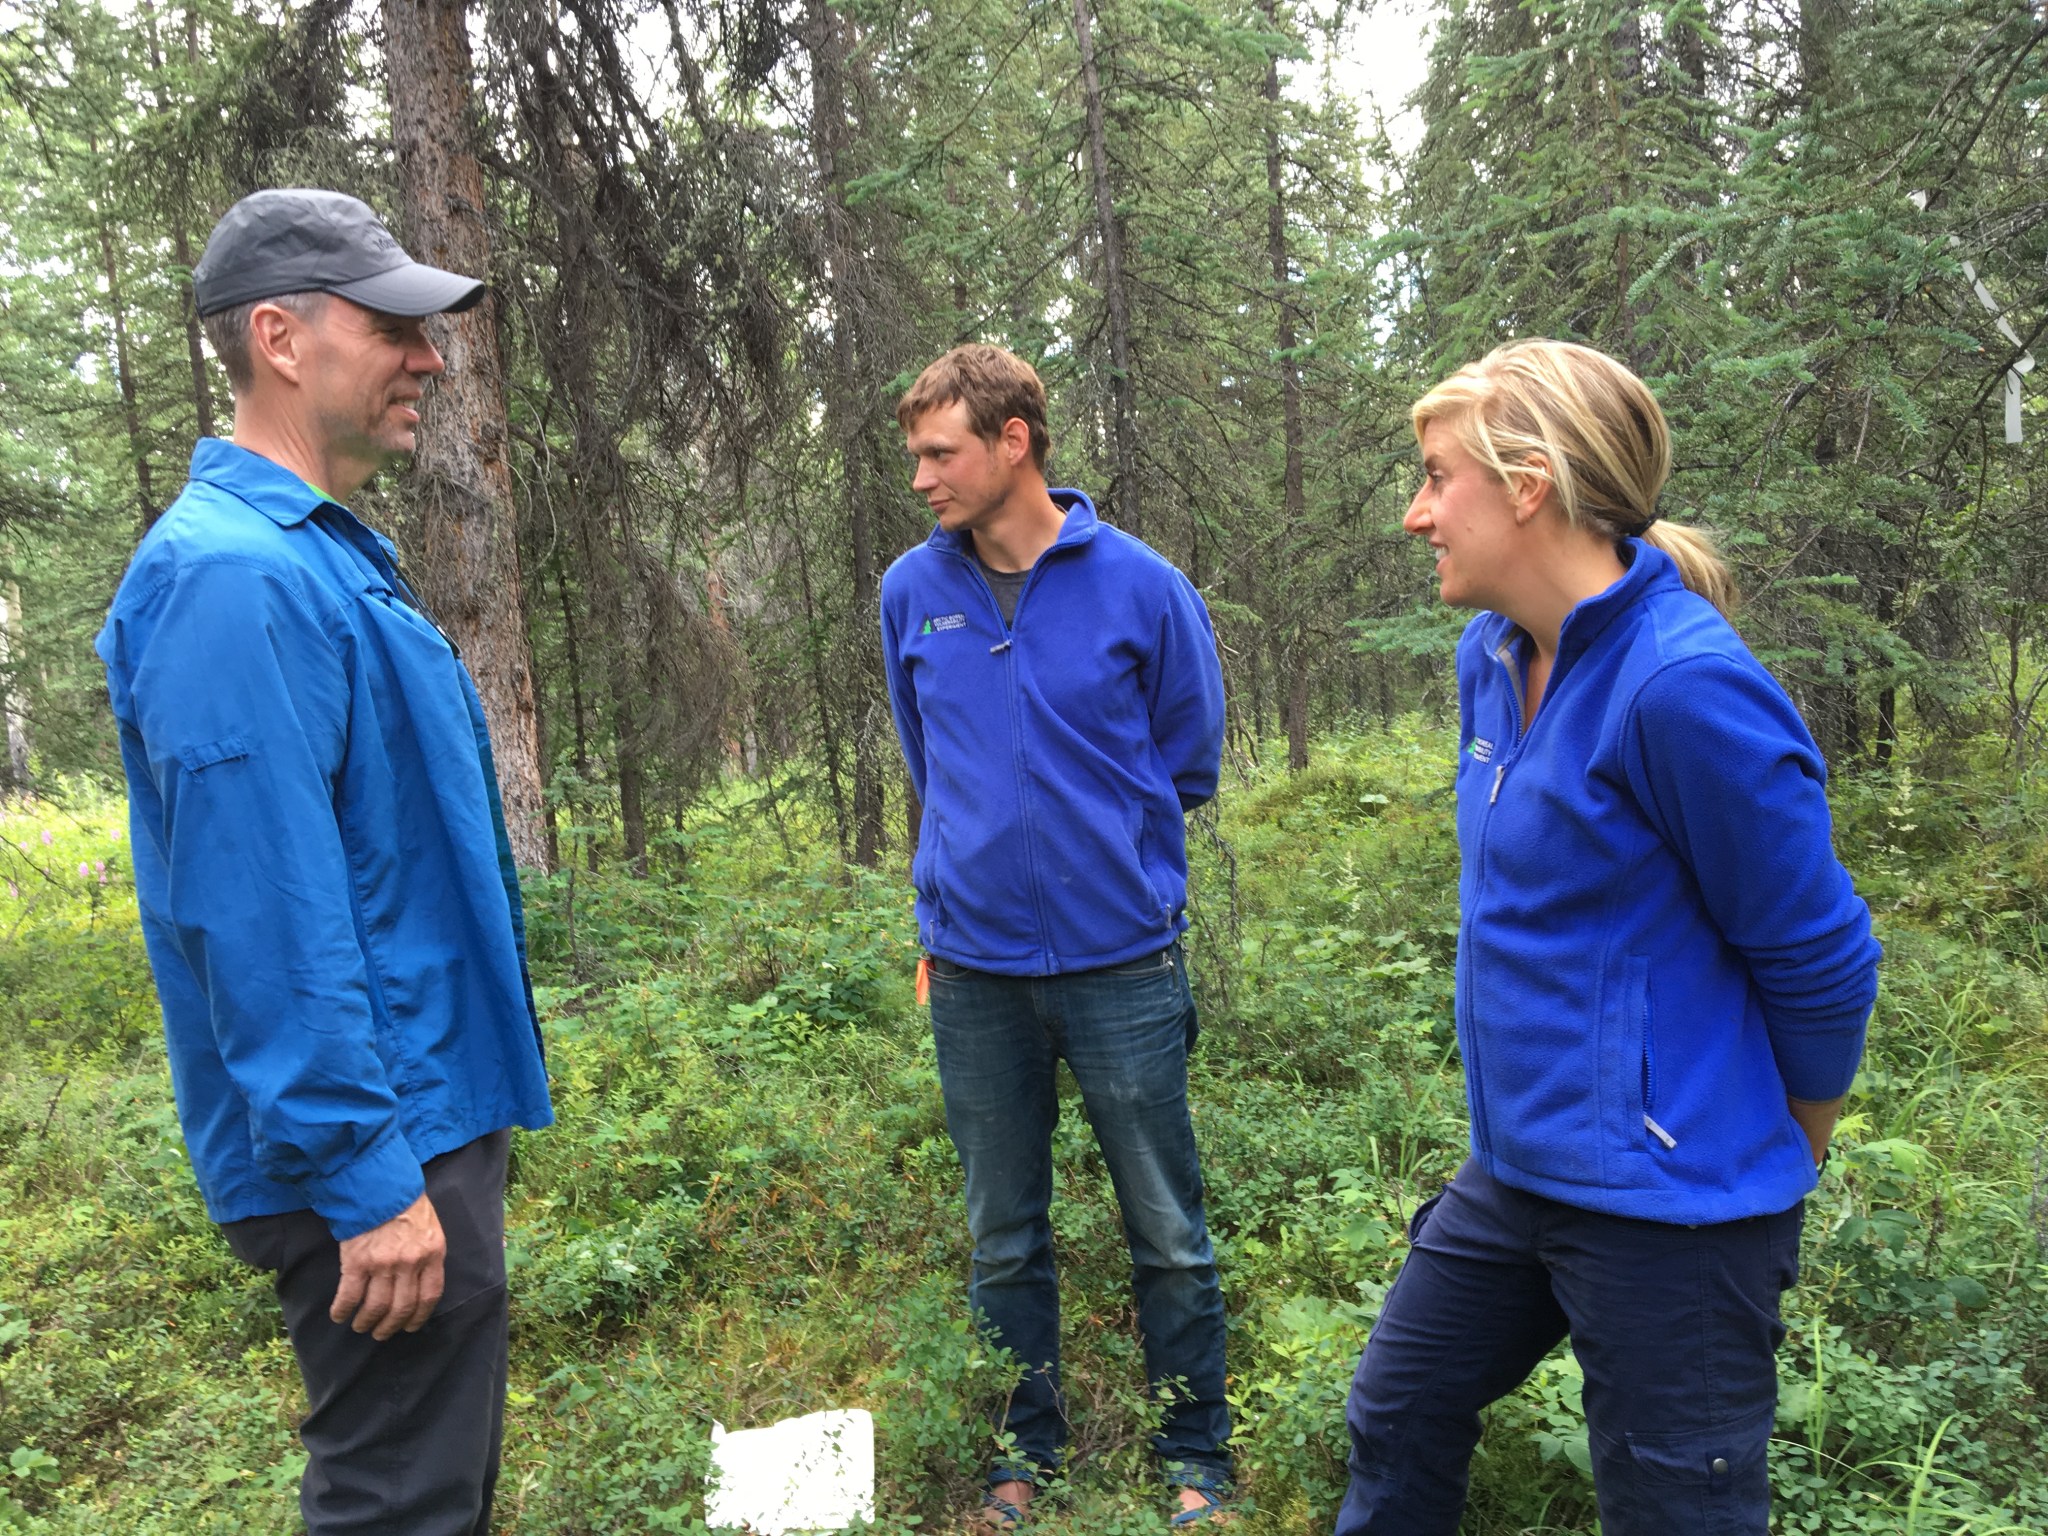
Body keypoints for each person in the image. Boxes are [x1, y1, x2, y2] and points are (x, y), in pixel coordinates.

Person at [1335, 339, 1881, 1535]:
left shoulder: (1680, 690)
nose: (1415, 512)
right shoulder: (1495, 656)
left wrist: (1797, 1131)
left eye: (1435, 477)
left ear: (1525, 486)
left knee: (1675, 1510)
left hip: (1672, 1210)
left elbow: (1819, 948)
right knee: (1397, 1407)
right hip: (1519, 1173)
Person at [94, 188, 554, 1536]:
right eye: (397, 326)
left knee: (426, 1490)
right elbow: (263, 913)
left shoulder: (316, 559)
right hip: (378, 1148)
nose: (430, 357)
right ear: (282, 339)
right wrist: (366, 1177)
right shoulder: (233, 579)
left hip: (417, 1113)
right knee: (396, 1505)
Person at [880, 345, 1235, 1529]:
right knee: (1001, 1236)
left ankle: (1195, 1456)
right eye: (915, 456)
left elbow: (1185, 760)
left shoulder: (1140, 586)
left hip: (1122, 963)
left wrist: (1104, 860)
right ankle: (1016, 1456)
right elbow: (929, 766)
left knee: (1168, 1233)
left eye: (941, 453)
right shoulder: (909, 592)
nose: (922, 478)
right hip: (976, 969)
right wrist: (952, 897)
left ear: (1013, 440)